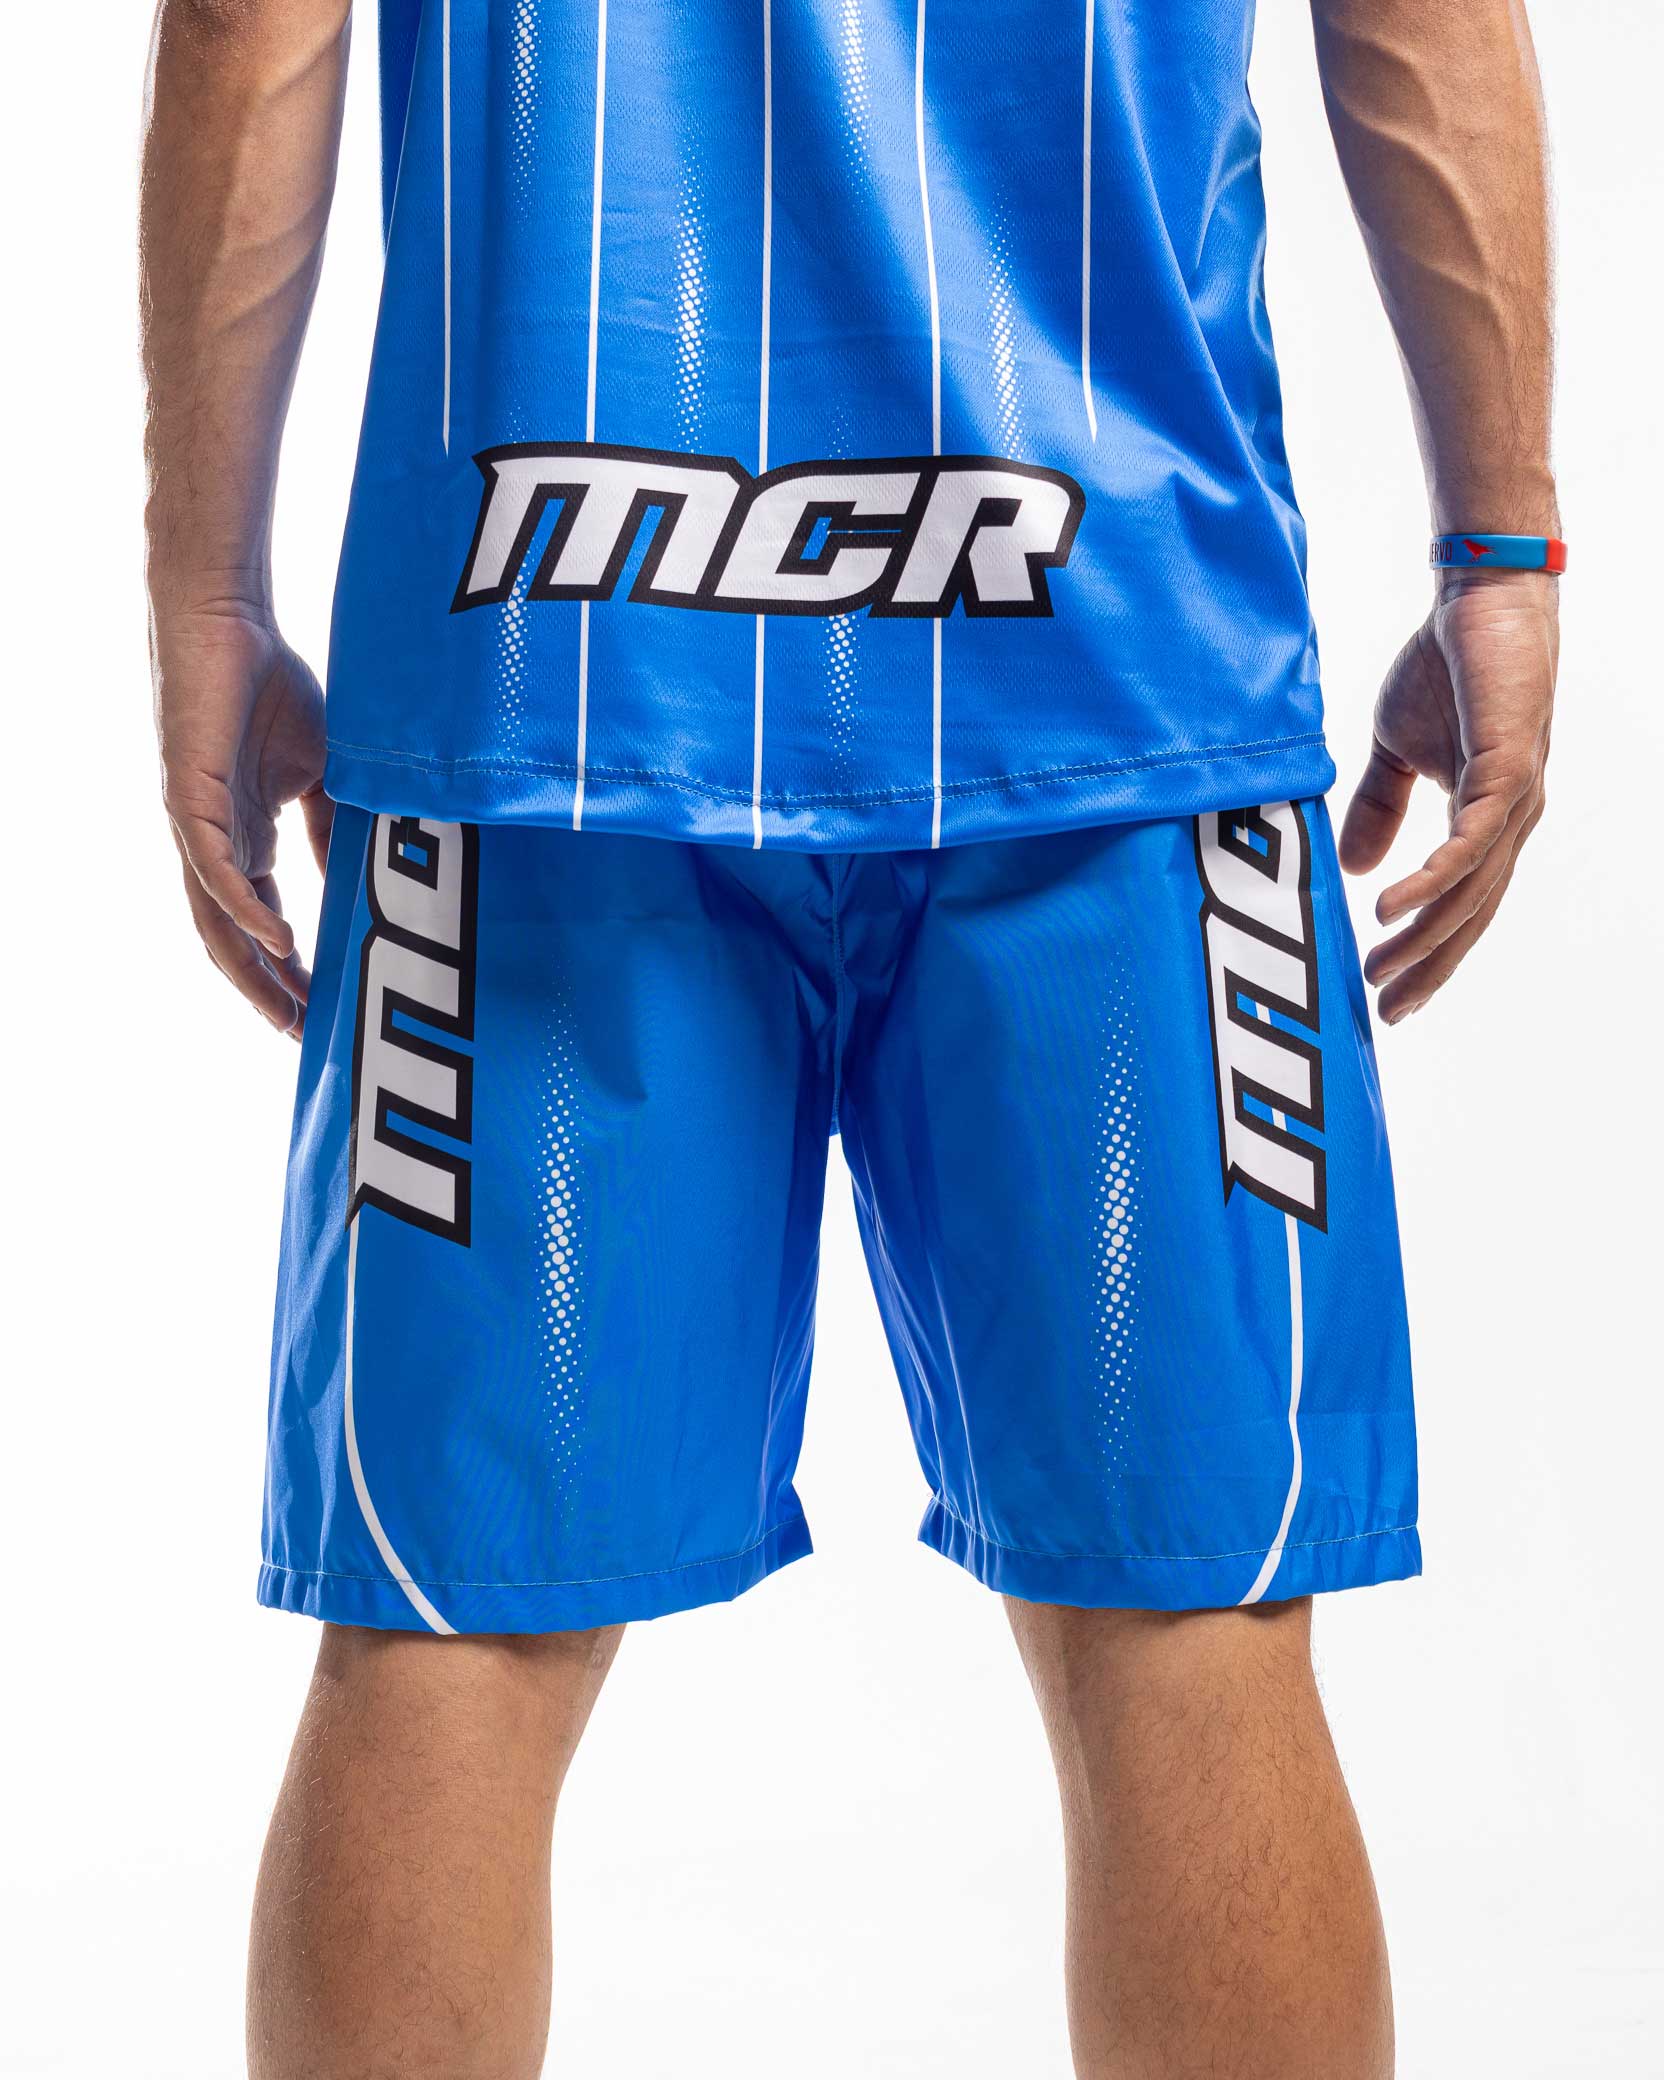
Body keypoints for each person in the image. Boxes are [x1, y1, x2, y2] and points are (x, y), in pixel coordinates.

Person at [140, 1, 1558, 2073]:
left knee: (453, 1625)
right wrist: (1499, 545)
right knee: (1187, 1618)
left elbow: (247, 20)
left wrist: (204, 585)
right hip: (1112, 664)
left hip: (550, 657)